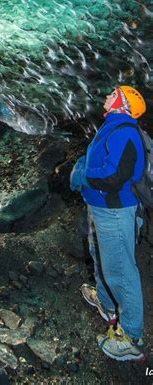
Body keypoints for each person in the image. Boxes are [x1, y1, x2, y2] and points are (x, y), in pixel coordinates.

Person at [70, 84, 146, 362]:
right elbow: (99, 160)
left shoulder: (125, 132)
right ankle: (107, 304)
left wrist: (83, 177)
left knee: (121, 270)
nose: (106, 96)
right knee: (100, 257)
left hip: (115, 211)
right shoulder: (112, 126)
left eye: (113, 94)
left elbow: (115, 176)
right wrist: (82, 167)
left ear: (123, 104)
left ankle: (131, 336)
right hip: (100, 207)